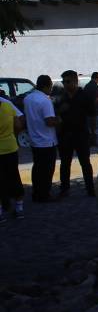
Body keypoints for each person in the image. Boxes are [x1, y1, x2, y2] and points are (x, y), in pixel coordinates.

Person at [55, 70, 96, 197]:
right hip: (65, 134)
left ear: (75, 81)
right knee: (65, 163)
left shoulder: (84, 95)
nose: (65, 84)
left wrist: (93, 132)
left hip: (81, 134)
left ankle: (90, 188)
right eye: (63, 82)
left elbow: (92, 115)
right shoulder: (61, 96)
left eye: (68, 81)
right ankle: (64, 188)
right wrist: (59, 111)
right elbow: (54, 113)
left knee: (85, 162)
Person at [24, 75, 59, 202]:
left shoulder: (28, 98)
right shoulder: (45, 100)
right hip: (46, 140)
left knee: (37, 168)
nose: (51, 89)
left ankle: (37, 193)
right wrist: (60, 120)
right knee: (47, 170)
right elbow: (49, 121)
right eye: (51, 86)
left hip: (34, 139)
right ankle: (45, 194)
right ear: (46, 86)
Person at [0, 93, 27, 221]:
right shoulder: (7, 106)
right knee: (14, 176)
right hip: (10, 147)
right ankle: (19, 208)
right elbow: (18, 125)